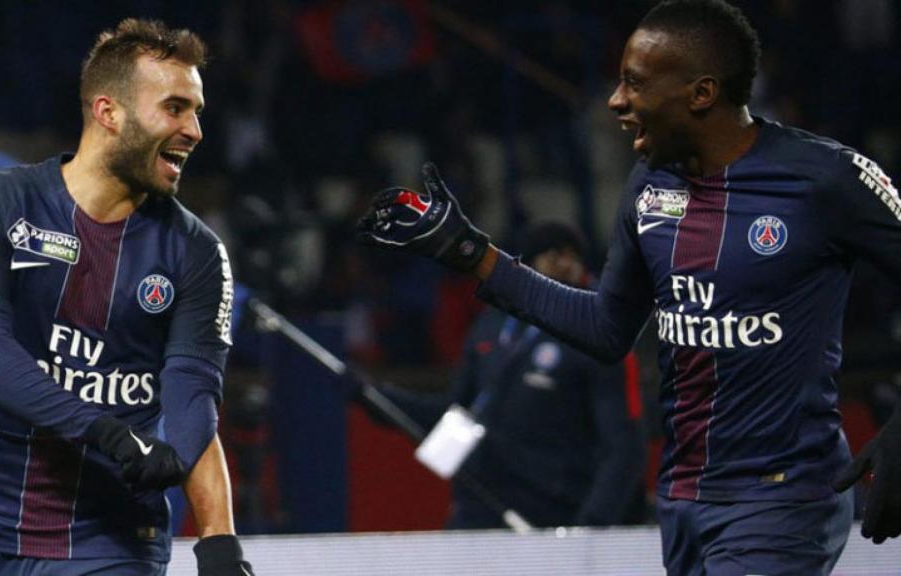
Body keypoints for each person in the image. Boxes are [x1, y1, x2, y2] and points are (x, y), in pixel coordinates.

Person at [357, 0, 901, 573]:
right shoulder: (650, 186)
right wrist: (472, 255)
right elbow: (607, 328)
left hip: (782, 499)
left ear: (701, 94)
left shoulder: (827, 179)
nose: (616, 102)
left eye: (635, 83)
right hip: (684, 500)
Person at [0, 19, 253, 576]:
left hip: (115, 547)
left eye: (197, 111)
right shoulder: (0, 203)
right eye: (176, 108)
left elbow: (191, 405)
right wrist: (110, 435)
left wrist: (219, 544)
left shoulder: (196, 253)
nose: (195, 130)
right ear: (109, 112)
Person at [368, 221, 647, 529]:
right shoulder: (492, 325)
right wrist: (377, 398)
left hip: (552, 510)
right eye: (554, 254)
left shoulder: (599, 335)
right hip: (481, 504)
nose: (567, 263)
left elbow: (623, 445)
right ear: (527, 263)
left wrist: (592, 526)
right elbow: (457, 411)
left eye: (573, 255)